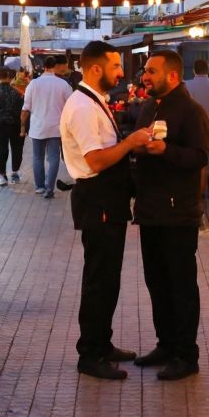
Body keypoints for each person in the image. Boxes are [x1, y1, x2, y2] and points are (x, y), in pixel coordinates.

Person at [60, 40, 155, 380]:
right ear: (96, 69)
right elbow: (95, 160)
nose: (121, 72)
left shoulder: (93, 101)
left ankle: (102, 343)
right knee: (99, 279)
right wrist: (130, 143)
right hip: (96, 199)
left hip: (106, 201)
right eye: (116, 66)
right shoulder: (83, 107)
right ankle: (90, 353)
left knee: (108, 277)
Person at [131, 50, 209, 380]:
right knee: (156, 282)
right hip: (150, 211)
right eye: (145, 71)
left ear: (172, 76)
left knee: (180, 284)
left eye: (151, 71)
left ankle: (185, 354)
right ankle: (165, 344)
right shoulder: (149, 107)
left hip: (179, 213)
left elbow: (200, 156)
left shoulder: (192, 112)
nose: (144, 76)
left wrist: (167, 151)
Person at [22, 55, 73, 199]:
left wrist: (21, 126)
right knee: (54, 157)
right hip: (56, 127)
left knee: (38, 157)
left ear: (44, 67)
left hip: (38, 126)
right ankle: (50, 187)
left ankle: (39, 187)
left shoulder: (33, 84)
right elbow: (70, 106)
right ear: (54, 66)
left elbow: (26, 107)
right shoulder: (63, 85)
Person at [0, 67, 25, 186]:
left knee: (0, 150)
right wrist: (23, 127)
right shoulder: (17, 93)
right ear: (10, 77)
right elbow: (22, 111)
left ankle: (2, 176)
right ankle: (15, 173)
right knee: (17, 149)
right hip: (15, 125)